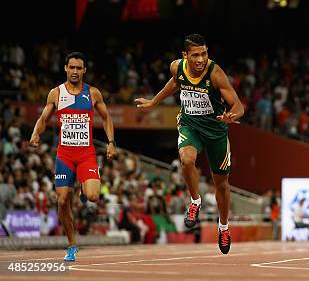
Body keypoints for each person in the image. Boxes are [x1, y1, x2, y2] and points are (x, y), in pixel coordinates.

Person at [135, 34, 244, 254]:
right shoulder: (177, 67)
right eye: (195, 55)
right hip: (190, 126)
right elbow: (175, 83)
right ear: (185, 56)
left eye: (204, 53)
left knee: (221, 184)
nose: (201, 59)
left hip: (216, 132)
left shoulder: (215, 73)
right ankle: (195, 201)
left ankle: (223, 227)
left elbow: (238, 104)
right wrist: (154, 101)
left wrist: (232, 115)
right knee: (186, 160)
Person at [29, 52, 117, 261]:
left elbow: (106, 118)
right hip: (65, 155)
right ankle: (72, 245)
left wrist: (111, 142)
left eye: (79, 68)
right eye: (72, 68)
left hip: (86, 154)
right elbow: (43, 118)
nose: (75, 72)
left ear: (84, 70)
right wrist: (35, 133)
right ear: (66, 69)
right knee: (62, 200)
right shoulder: (56, 93)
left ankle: (84, 191)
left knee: (94, 196)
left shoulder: (93, 93)